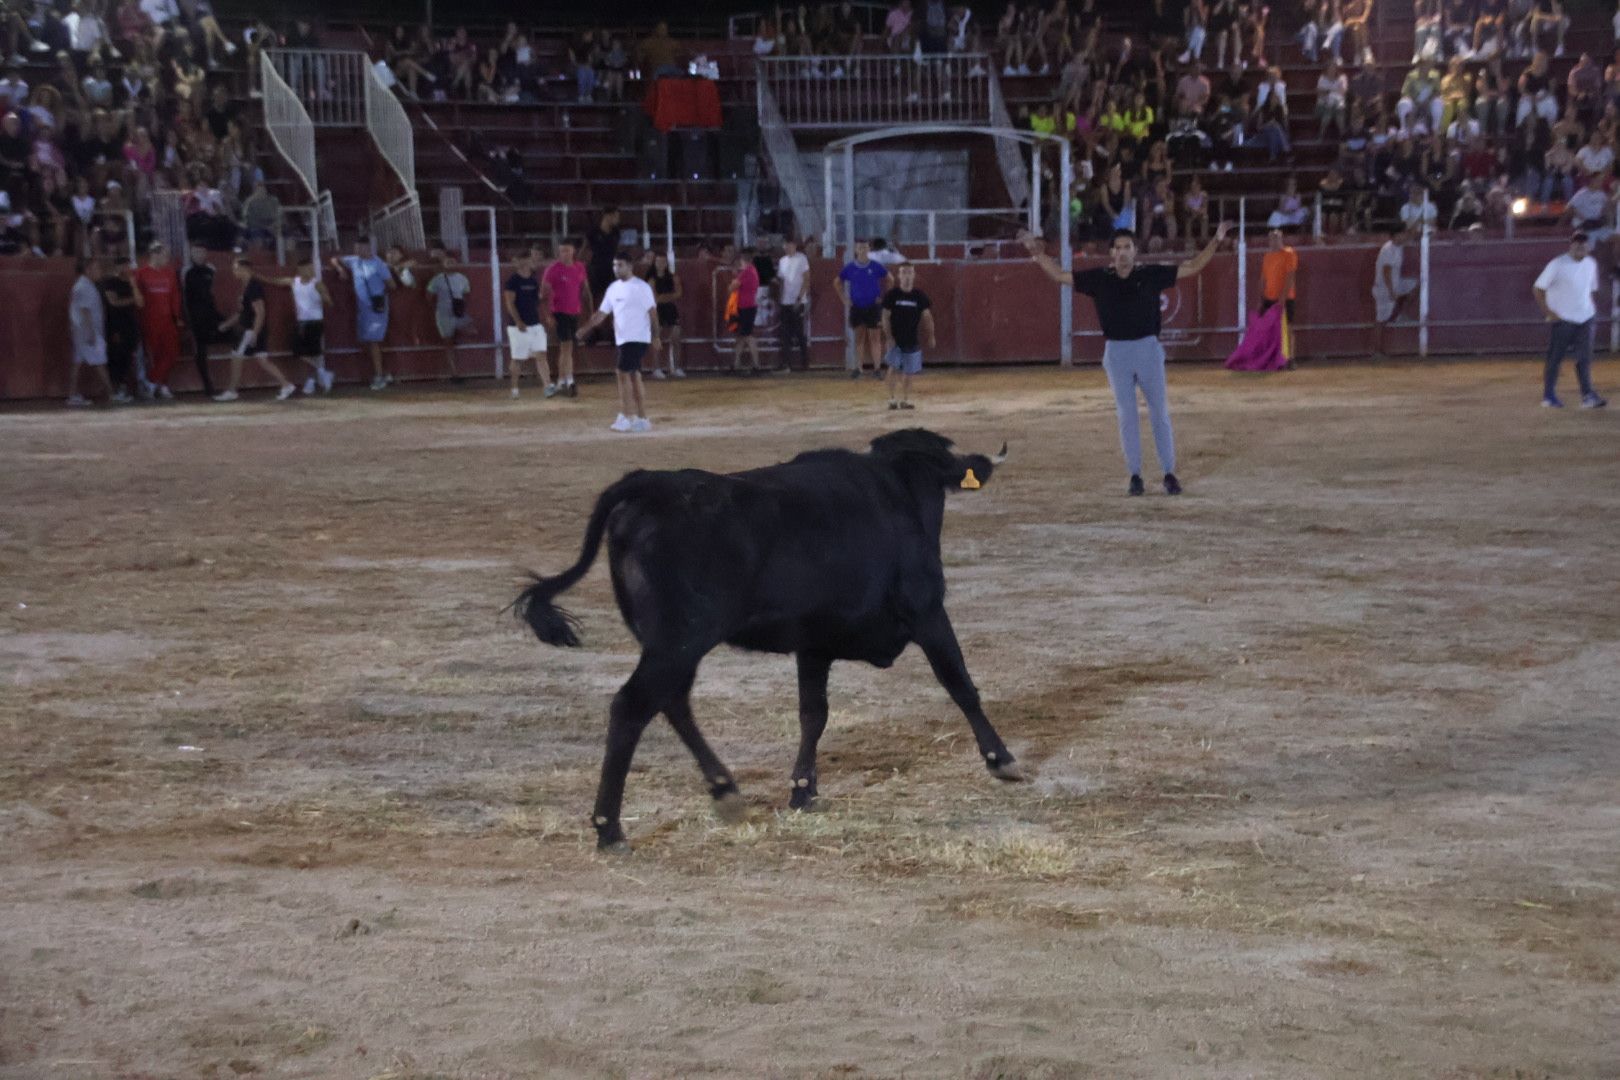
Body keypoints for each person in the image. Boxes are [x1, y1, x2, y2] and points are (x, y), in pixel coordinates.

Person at [1024, 221, 1234, 496]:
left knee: (1159, 412)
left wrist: (1217, 239)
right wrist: (1037, 254)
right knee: (1127, 416)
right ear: (1112, 253)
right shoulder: (1101, 277)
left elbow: (1193, 266)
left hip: (1147, 348)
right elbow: (1060, 276)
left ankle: (1168, 472)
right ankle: (1135, 475)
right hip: (1117, 352)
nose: (1122, 253)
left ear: (1135, 251)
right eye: (1118, 248)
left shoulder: (1150, 274)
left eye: (1127, 247)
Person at [576, 251, 659, 433]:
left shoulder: (641, 287)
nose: (616, 269)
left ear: (630, 266)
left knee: (621, 373)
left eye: (620, 265)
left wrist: (656, 336)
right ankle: (642, 418)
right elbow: (601, 314)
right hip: (623, 339)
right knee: (634, 376)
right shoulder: (613, 288)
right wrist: (586, 328)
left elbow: (653, 313)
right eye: (614, 265)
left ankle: (627, 416)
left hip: (637, 337)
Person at [1532, 232, 1607, 409]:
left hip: (1586, 316)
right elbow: (1537, 288)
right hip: (1563, 318)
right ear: (1570, 245)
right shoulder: (1557, 264)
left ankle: (1587, 395)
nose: (1580, 247)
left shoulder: (1591, 264)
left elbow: (1590, 290)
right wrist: (1548, 312)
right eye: (1576, 243)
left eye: (1583, 244)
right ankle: (1549, 395)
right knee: (1556, 357)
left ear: (1588, 247)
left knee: (1584, 358)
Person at [211, 258, 296, 402]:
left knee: (236, 357)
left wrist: (255, 333)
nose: (234, 272)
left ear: (245, 269)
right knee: (262, 360)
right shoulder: (246, 286)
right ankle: (286, 385)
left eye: (236, 269)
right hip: (253, 328)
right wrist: (226, 324)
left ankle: (232, 390)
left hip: (250, 330)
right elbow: (243, 313)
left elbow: (260, 312)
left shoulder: (253, 287)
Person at [260, 255, 336, 395]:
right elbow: (276, 281)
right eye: (305, 268)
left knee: (312, 352)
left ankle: (312, 380)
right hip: (302, 322)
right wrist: (259, 277)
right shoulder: (294, 282)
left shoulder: (317, 284)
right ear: (300, 270)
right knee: (299, 352)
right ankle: (321, 373)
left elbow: (329, 302)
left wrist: (324, 298)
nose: (308, 271)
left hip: (315, 322)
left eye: (310, 268)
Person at [330, 238, 394, 390]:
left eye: (360, 249)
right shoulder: (354, 261)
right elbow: (334, 259)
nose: (357, 252)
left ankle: (379, 375)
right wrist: (340, 269)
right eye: (356, 249)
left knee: (373, 341)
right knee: (368, 341)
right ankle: (383, 373)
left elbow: (391, 284)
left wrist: (379, 294)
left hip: (376, 307)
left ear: (368, 248)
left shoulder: (379, 264)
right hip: (363, 307)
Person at [881, 262, 934, 410]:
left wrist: (931, 336)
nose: (907, 276)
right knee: (893, 367)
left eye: (910, 272)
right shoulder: (892, 295)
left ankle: (905, 399)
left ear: (914, 275)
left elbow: (927, 317)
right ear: (899, 275)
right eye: (904, 272)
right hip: (895, 339)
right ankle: (891, 399)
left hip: (912, 339)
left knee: (909, 372)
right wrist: (889, 337)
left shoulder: (919, 296)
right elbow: (885, 317)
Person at [541, 238, 590, 395]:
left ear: (573, 251)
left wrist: (590, 308)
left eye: (567, 250)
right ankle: (569, 379)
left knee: (567, 347)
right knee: (566, 345)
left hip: (574, 311)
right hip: (559, 311)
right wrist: (548, 315)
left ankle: (562, 380)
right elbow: (544, 294)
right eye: (562, 251)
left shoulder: (579, 267)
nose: (564, 254)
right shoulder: (553, 269)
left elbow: (584, 289)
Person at [504, 249, 555, 399]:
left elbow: (537, 301)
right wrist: (518, 321)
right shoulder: (512, 281)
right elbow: (510, 303)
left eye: (520, 260)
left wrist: (546, 316)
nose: (517, 263)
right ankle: (514, 388)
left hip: (534, 323)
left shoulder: (533, 280)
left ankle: (547, 386)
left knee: (541, 354)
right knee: (518, 358)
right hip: (518, 326)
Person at [133, 242, 182, 399]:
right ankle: (161, 385)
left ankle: (151, 381)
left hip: (167, 320)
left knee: (171, 352)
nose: (167, 259)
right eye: (164, 255)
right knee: (154, 355)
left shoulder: (170, 273)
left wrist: (177, 316)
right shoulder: (141, 273)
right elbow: (138, 299)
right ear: (154, 254)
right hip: (149, 320)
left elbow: (175, 295)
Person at [66, 256, 114, 406]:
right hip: (87, 331)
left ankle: (72, 394)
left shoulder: (82, 285)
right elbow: (85, 311)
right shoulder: (84, 287)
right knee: (99, 362)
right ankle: (111, 392)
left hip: (82, 331)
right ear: (88, 270)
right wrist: (91, 333)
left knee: (78, 362)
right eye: (96, 268)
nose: (99, 271)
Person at [838, 239, 889, 379]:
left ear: (869, 249)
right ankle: (859, 368)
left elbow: (890, 278)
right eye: (860, 248)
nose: (863, 250)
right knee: (859, 339)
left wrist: (884, 297)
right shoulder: (850, 267)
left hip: (873, 306)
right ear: (855, 250)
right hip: (857, 306)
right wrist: (844, 299)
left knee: (875, 338)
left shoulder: (875, 266)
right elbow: (837, 282)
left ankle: (877, 369)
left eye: (865, 247)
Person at [425, 248, 473, 382]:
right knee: (449, 343)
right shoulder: (437, 279)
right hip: (444, 314)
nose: (451, 264)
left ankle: (457, 370)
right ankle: (454, 373)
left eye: (453, 261)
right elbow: (428, 296)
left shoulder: (462, 278)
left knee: (471, 330)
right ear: (443, 263)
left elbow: (466, 295)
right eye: (448, 262)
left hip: (457, 313)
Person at [1370, 225, 1417, 358]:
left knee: (1414, 285)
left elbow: (1411, 236)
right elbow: (1386, 272)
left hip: (1395, 284)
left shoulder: (1398, 246)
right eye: (1403, 234)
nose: (1405, 236)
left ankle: (1400, 314)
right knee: (1381, 321)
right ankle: (1377, 351)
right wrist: (1391, 291)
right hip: (1384, 288)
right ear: (1396, 235)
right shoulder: (1388, 249)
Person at [182, 244, 221, 399]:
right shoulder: (186, 271)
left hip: (211, 313)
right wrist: (187, 317)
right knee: (201, 350)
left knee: (231, 333)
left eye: (201, 251)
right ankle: (208, 385)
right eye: (195, 252)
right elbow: (184, 295)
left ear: (206, 253)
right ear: (191, 254)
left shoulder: (211, 269)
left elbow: (213, 291)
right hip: (195, 315)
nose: (199, 255)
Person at [98, 263, 138, 403]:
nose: (126, 270)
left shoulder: (131, 283)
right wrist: (132, 299)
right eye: (123, 266)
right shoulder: (110, 282)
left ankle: (121, 388)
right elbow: (113, 302)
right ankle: (115, 389)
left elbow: (139, 302)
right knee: (116, 356)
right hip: (115, 326)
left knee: (126, 356)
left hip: (129, 326)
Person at [1258, 227, 1299, 363]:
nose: (1273, 241)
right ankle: (1274, 357)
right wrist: (1261, 297)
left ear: (1281, 239)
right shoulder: (1267, 256)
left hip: (1285, 297)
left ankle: (1290, 358)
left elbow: (1290, 276)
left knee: (1288, 327)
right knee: (1271, 329)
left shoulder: (1288, 253)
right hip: (1269, 297)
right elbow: (1263, 278)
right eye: (1271, 239)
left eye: (1276, 238)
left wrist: (1283, 296)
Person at [644, 250, 685, 378]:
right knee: (657, 338)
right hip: (657, 310)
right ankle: (656, 368)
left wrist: (663, 297)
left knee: (676, 338)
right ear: (654, 263)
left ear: (666, 263)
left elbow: (679, 293)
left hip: (670, 309)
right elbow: (655, 298)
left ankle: (676, 367)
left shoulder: (673, 277)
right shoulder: (651, 278)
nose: (661, 264)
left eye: (663, 261)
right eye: (658, 261)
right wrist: (669, 297)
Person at [777, 237, 811, 371]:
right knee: (786, 333)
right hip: (786, 301)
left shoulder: (802, 258)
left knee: (798, 332)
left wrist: (800, 298)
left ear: (795, 246)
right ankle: (787, 363)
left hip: (797, 300)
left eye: (790, 245)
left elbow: (807, 279)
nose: (787, 247)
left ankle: (804, 362)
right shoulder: (782, 261)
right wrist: (780, 299)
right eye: (786, 245)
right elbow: (781, 282)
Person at [729, 245, 762, 374]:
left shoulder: (747, 272)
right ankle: (736, 363)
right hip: (747, 306)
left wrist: (734, 278)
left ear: (743, 259)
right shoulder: (751, 271)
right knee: (743, 336)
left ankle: (756, 365)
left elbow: (732, 287)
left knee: (747, 336)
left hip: (746, 307)